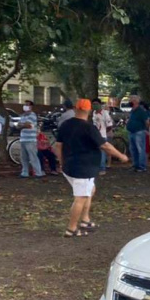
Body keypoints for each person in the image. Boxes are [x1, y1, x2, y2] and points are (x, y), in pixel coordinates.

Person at [55, 99, 129, 238]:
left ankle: (85, 220)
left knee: (91, 190)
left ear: (76, 108)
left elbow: (58, 146)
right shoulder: (88, 127)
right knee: (81, 197)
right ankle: (71, 229)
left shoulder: (66, 125)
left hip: (69, 167)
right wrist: (121, 156)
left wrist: (61, 162)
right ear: (89, 110)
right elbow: (105, 146)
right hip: (83, 169)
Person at [19, 100, 44, 178]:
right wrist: (23, 125)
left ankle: (38, 173)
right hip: (23, 139)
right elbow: (19, 125)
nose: (25, 106)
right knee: (24, 158)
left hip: (31, 140)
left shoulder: (32, 115)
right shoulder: (23, 115)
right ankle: (25, 172)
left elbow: (27, 125)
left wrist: (22, 125)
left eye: (27, 105)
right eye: (25, 104)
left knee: (33, 157)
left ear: (31, 106)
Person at [126, 94, 150, 172]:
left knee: (140, 149)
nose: (129, 101)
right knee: (133, 149)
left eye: (131, 100)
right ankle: (135, 165)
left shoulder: (141, 111)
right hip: (131, 132)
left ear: (135, 101)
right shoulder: (132, 110)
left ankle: (142, 166)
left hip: (139, 132)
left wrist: (145, 129)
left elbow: (147, 121)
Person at [92, 98, 115, 175]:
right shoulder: (94, 113)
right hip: (95, 135)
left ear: (100, 104)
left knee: (102, 153)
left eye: (96, 104)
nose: (95, 106)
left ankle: (102, 168)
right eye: (93, 104)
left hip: (102, 135)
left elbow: (109, 125)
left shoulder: (105, 113)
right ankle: (97, 167)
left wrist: (104, 132)